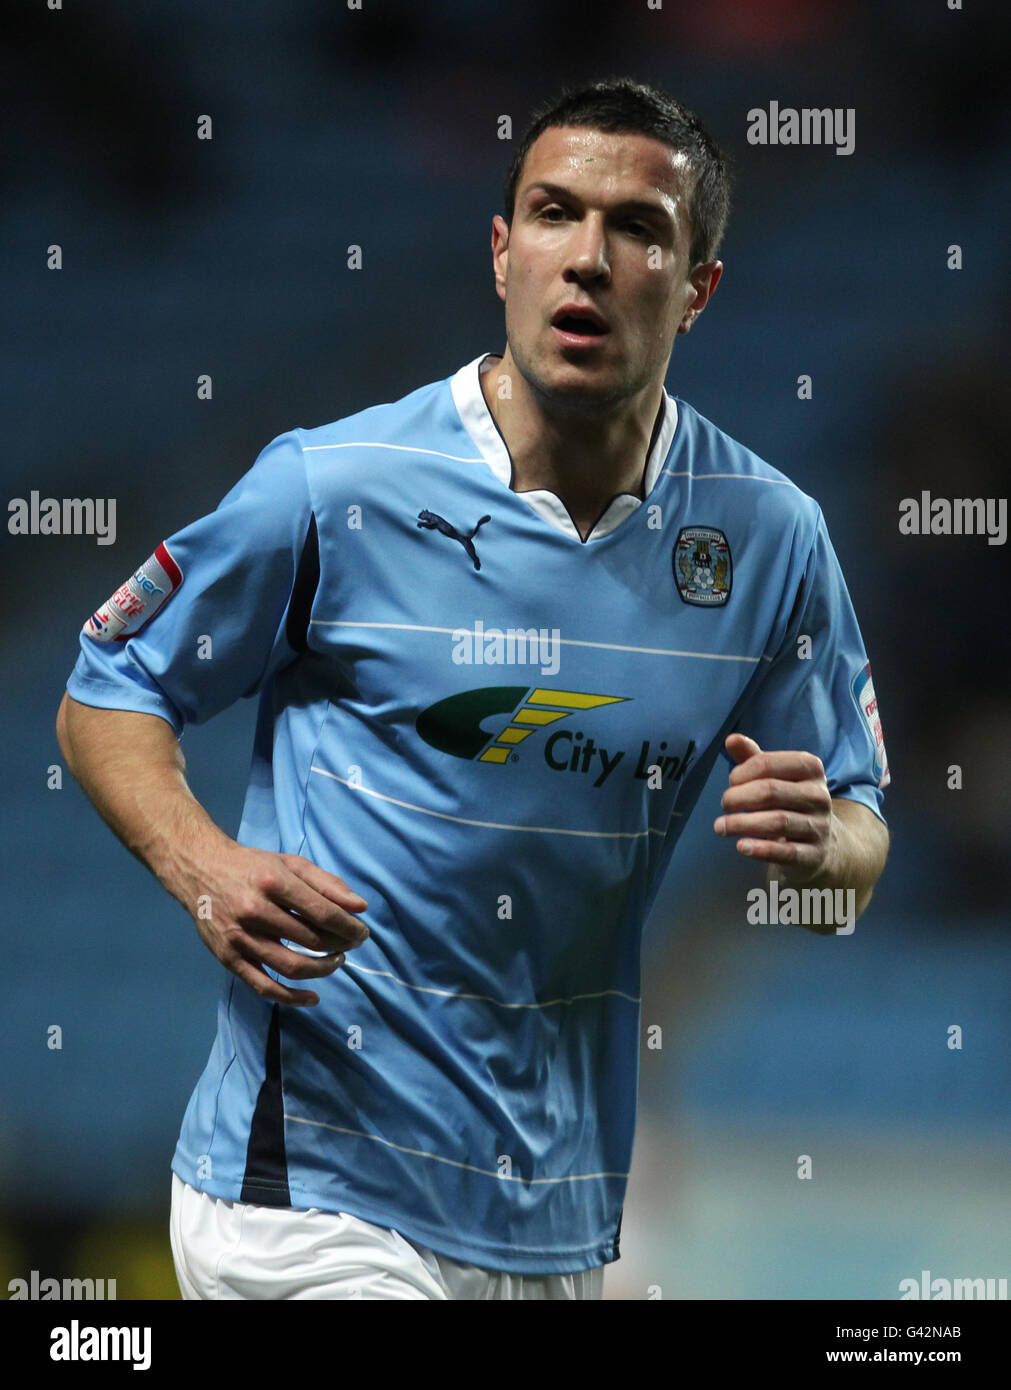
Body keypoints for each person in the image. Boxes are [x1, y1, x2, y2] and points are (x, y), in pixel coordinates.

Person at [56, 77, 890, 1301]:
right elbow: (107, 687)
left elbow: (860, 849)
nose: (588, 261)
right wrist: (204, 865)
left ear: (698, 287)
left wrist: (822, 854)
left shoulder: (768, 539)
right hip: (305, 1188)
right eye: (554, 214)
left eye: (638, 229)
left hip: (549, 1217)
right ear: (502, 253)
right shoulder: (332, 486)